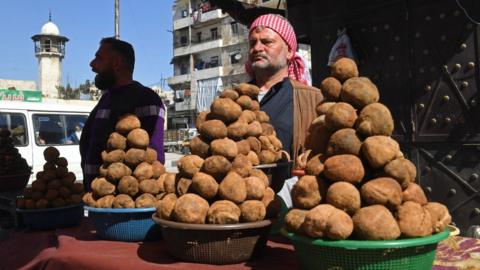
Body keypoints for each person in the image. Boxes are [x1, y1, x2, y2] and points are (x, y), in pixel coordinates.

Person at [247, 14, 324, 191]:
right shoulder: (233, 99)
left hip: (293, 204)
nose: (257, 48)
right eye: (253, 43)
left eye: (267, 42)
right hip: (240, 206)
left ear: (289, 51)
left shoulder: (313, 100)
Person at [80, 37, 165, 191]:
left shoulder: (146, 99)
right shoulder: (106, 99)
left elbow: (154, 158)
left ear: (116, 63)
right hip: (96, 198)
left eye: (98, 58)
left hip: (122, 205)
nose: (92, 64)